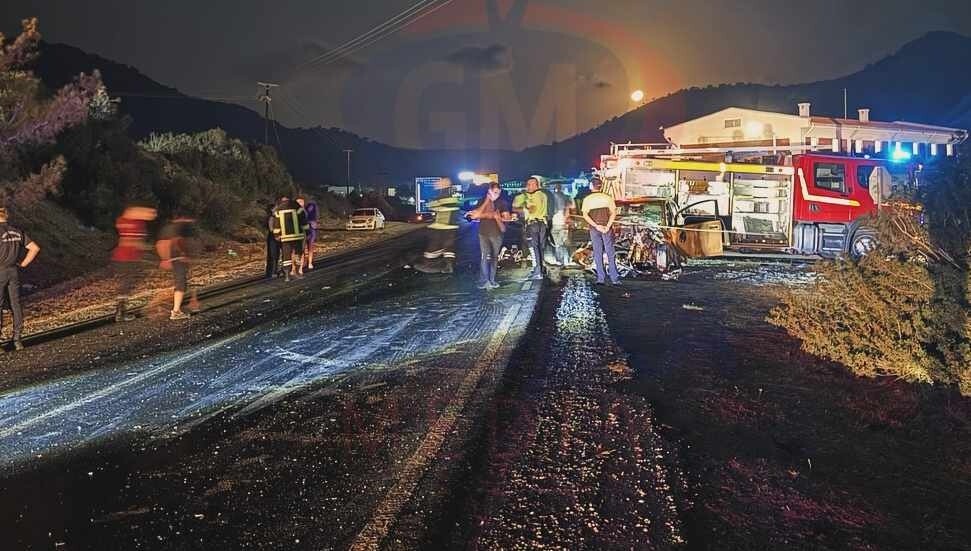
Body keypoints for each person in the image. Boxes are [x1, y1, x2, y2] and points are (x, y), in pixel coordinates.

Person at [0, 207, 41, 351]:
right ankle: (17, 339)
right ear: (6, 216)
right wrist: (23, 263)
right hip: (13, 271)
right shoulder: (17, 231)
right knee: (15, 305)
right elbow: (35, 248)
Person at [111, 204, 157, 321]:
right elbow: (135, 242)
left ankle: (120, 310)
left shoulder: (121, 220)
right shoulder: (137, 224)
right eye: (149, 212)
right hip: (129, 258)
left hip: (120, 257)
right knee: (127, 284)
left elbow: (124, 239)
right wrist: (151, 249)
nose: (152, 215)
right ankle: (121, 312)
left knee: (126, 283)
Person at [468, 182, 510, 289]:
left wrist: (497, 217)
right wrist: (489, 208)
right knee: (484, 257)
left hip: (497, 234)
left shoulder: (502, 203)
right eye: (494, 192)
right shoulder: (482, 201)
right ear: (489, 191)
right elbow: (475, 215)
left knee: (494, 257)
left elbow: (506, 218)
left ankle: (492, 280)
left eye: (498, 193)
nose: (497, 195)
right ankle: (484, 280)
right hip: (483, 233)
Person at [157, 216, 199, 320]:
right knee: (180, 283)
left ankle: (176, 308)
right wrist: (182, 254)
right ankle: (176, 311)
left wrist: (164, 258)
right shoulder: (177, 228)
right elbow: (175, 242)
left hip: (174, 259)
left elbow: (160, 243)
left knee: (180, 282)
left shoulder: (169, 228)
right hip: (177, 259)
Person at [414, 178, 460, 274]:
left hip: (441, 227)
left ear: (442, 187)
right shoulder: (452, 198)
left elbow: (434, 206)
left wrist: (432, 204)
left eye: (438, 186)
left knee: (433, 247)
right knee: (448, 247)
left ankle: (428, 264)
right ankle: (449, 266)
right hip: (450, 228)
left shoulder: (442, 197)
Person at [581, 177, 621, 286]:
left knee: (597, 252)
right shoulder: (607, 198)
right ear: (601, 186)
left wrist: (596, 226)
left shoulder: (587, 199)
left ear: (591, 186)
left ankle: (600, 278)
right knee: (610, 252)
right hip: (606, 228)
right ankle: (614, 278)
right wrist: (607, 226)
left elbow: (585, 215)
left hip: (594, 229)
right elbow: (613, 213)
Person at [512, 177, 548, 281]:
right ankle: (541, 269)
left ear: (535, 185)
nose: (527, 186)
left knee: (534, 247)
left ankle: (538, 271)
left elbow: (531, 209)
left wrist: (524, 206)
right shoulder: (544, 195)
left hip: (533, 224)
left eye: (529, 184)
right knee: (540, 248)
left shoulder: (532, 196)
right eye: (527, 184)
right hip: (543, 224)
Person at [271, 197, 309, 282]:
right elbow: (303, 221)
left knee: (286, 256)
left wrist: (276, 235)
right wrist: (307, 231)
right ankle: (298, 272)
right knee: (298, 254)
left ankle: (287, 275)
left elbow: (276, 224)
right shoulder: (297, 207)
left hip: (285, 237)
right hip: (297, 236)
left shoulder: (278, 210)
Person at [549, 183, 575, 266]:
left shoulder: (551, 198)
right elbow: (572, 207)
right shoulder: (566, 197)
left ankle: (560, 260)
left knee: (558, 244)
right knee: (562, 243)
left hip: (555, 223)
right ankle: (566, 260)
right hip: (562, 223)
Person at [296, 196, 319, 270]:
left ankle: (309, 262)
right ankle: (302, 264)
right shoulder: (296, 210)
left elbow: (314, 216)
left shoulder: (309, 207)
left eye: (301, 202)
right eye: (298, 202)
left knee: (310, 246)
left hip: (310, 229)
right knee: (301, 248)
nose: (299, 203)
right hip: (301, 231)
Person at [264, 203, 280, 279]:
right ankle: (271, 272)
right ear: (272, 210)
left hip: (277, 237)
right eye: (276, 208)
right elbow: (271, 229)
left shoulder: (277, 217)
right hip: (273, 238)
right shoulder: (271, 218)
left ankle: (275, 271)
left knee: (276, 255)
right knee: (272, 255)